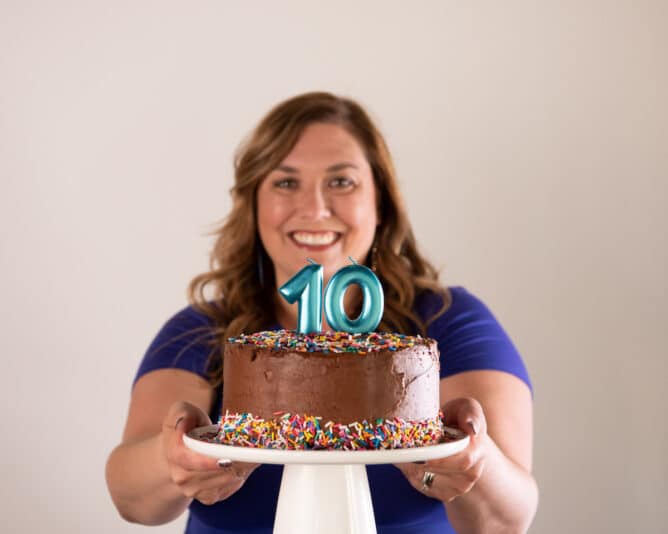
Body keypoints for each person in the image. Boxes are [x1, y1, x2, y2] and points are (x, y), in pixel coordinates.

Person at [106, 92, 538, 533]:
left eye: (341, 182)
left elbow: (506, 521)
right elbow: (132, 499)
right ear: (253, 203)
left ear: (381, 201)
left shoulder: (448, 321)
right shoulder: (202, 331)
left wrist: (472, 462)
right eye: (286, 182)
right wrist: (174, 458)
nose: (314, 209)